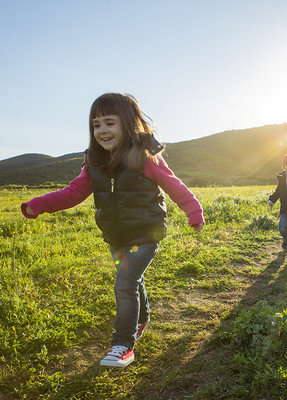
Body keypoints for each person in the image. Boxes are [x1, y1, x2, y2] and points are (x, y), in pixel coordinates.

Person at [21, 93, 205, 368]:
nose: (102, 130)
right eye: (96, 125)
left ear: (129, 124)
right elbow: (73, 193)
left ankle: (123, 345)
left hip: (147, 233)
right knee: (133, 280)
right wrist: (40, 204)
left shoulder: (145, 157)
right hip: (116, 236)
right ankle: (142, 319)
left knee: (125, 283)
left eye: (110, 122)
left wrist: (194, 212)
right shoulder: (94, 163)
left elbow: (173, 185)